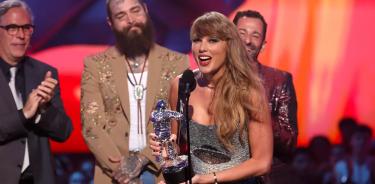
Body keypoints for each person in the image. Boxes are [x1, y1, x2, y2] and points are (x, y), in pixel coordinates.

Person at [150, 11, 273, 183]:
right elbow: (177, 147)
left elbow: (262, 162)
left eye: (213, 40)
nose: (202, 48)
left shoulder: (249, 92)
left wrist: (209, 179)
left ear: (229, 46)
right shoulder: (182, 85)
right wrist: (166, 149)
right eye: (197, 40)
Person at [80, 0, 189, 183]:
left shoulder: (176, 62)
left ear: (146, 11)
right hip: (114, 174)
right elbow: (91, 125)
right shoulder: (96, 65)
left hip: (161, 172)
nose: (131, 20)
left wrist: (143, 157)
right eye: (121, 16)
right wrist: (121, 170)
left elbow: (179, 120)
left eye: (135, 11)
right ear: (110, 23)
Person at [0, 0, 73, 184]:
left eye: (26, 28)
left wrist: (44, 109)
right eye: (12, 28)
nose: (21, 35)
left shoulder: (44, 73)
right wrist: (24, 114)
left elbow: (64, 132)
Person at [233, 10, 298, 183]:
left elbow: (289, 141)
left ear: (263, 44)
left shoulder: (278, 80)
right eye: (242, 33)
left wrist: (257, 113)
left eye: (255, 35)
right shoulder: (213, 78)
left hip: (264, 177)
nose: (248, 40)